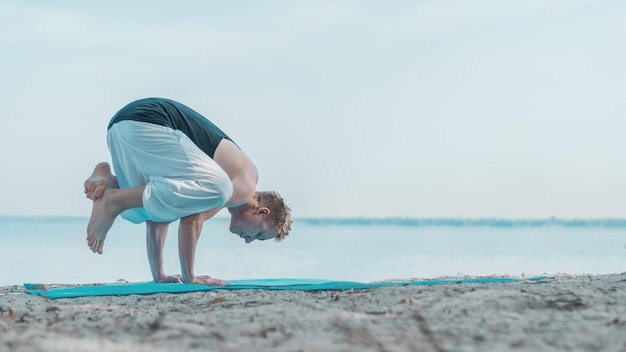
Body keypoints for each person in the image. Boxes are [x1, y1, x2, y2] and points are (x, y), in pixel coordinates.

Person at [83, 98, 292, 285]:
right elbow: (192, 220)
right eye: (259, 234)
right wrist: (190, 277)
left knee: (141, 210)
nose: (249, 240)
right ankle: (113, 200)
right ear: (262, 211)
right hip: (151, 121)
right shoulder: (245, 187)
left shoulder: (201, 191)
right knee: (219, 188)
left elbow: (158, 216)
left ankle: (110, 182)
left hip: (120, 128)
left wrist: (159, 275)